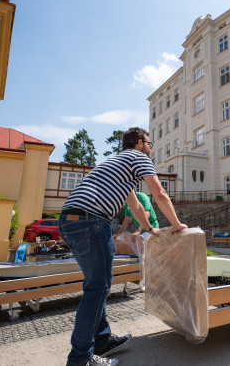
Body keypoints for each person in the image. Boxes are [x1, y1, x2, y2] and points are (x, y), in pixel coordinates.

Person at [58, 127, 187, 366]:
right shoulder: (138, 158)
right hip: (91, 221)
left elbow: (136, 206)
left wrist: (150, 229)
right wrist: (177, 224)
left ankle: (102, 340)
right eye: (149, 143)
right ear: (140, 143)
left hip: (69, 220)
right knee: (97, 289)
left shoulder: (117, 165)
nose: (151, 148)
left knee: (96, 285)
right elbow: (158, 192)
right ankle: (80, 358)